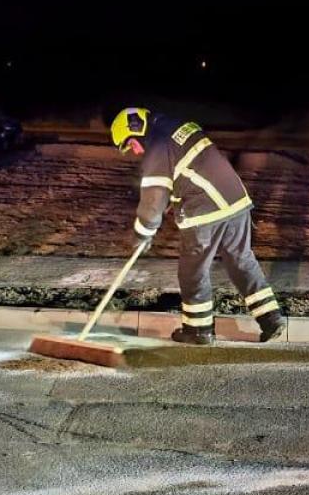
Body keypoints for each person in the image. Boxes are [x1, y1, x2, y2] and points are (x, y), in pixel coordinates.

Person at [110, 108, 285, 345]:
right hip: (235, 200)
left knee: (193, 271)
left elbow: (152, 200)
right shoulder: (178, 127)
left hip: (206, 212)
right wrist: (175, 199)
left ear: (136, 130)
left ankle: (198, 331)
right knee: (241, 261)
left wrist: (143, 232)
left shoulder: (157, 148)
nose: (135, 151)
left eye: (131, 145)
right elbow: (191, 170)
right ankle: (271, 318)